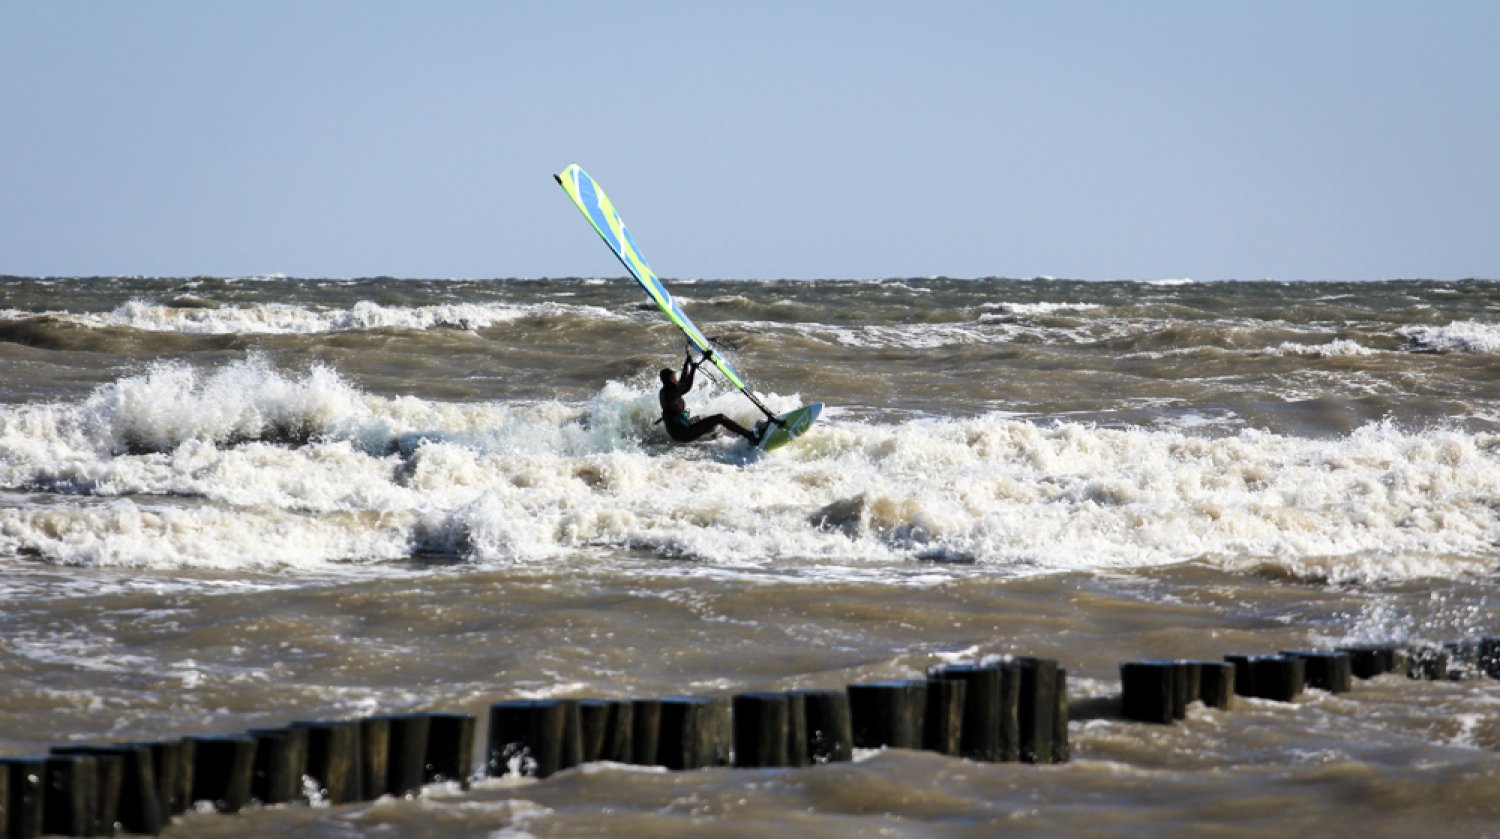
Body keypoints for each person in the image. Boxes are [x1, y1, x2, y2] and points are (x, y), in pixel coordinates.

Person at [659, 349, 761, 444]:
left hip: (679, 432)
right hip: (684, 433)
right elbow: (686, 387)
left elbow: (682, 382)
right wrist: (693, 369)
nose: (676, 379)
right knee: (720, 418)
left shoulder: (665, 390)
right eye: (673, 377)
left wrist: (686, 364)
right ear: (669, 380)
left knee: (702, 418)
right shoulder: (671, 392)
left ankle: (717, 438)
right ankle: (750, 436)